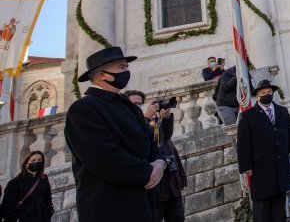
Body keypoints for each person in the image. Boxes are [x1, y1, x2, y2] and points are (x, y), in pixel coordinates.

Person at [65, 47, 165, 222]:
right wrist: (147, 172)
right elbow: (103, 158)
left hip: (140, 202)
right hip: (109, 206)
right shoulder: (83, 109)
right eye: (121, 67)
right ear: (102, 75)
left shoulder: (128, 107)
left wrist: (159, 162)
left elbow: (148, 141)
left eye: (126, 67)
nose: (127, 72)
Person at [237, 79, 290, 222]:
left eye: (269, 92)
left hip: (280, 166)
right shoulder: (248, 116)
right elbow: (243, 144)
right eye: (263, 93)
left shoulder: (282, 111)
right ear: (257, 95)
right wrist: (246, 166)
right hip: (260, 168)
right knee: (262, 209)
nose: (267, 94)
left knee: (279, 206)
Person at [125, 91, 187, 222]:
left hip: (171, 189)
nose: (138, 107)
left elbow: (164, 138)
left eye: (140, 104)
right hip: (153, 193)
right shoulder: (126, 124)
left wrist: (165, 117)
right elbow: (135, 139)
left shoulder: (150, 127)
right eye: (134, 103)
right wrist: (146, 117)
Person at [0, 151, 54, 221]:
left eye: (39, 160)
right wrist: (16, 219)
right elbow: (7, 206)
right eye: (33, 160)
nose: (37, 162)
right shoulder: (15, 183)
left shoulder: (44, 179)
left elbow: (48, 199)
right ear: (26, 163)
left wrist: (49, 212)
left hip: (42, 217)